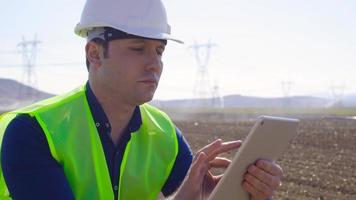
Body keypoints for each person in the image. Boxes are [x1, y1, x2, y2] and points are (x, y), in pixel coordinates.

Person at [0, 0, 283, 199]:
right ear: (94, 53)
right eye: (138, 49)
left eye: (159, 51)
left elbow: (203, 196)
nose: (154, 64)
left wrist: (249, 194)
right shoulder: (33, 131)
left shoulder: (163, 133)